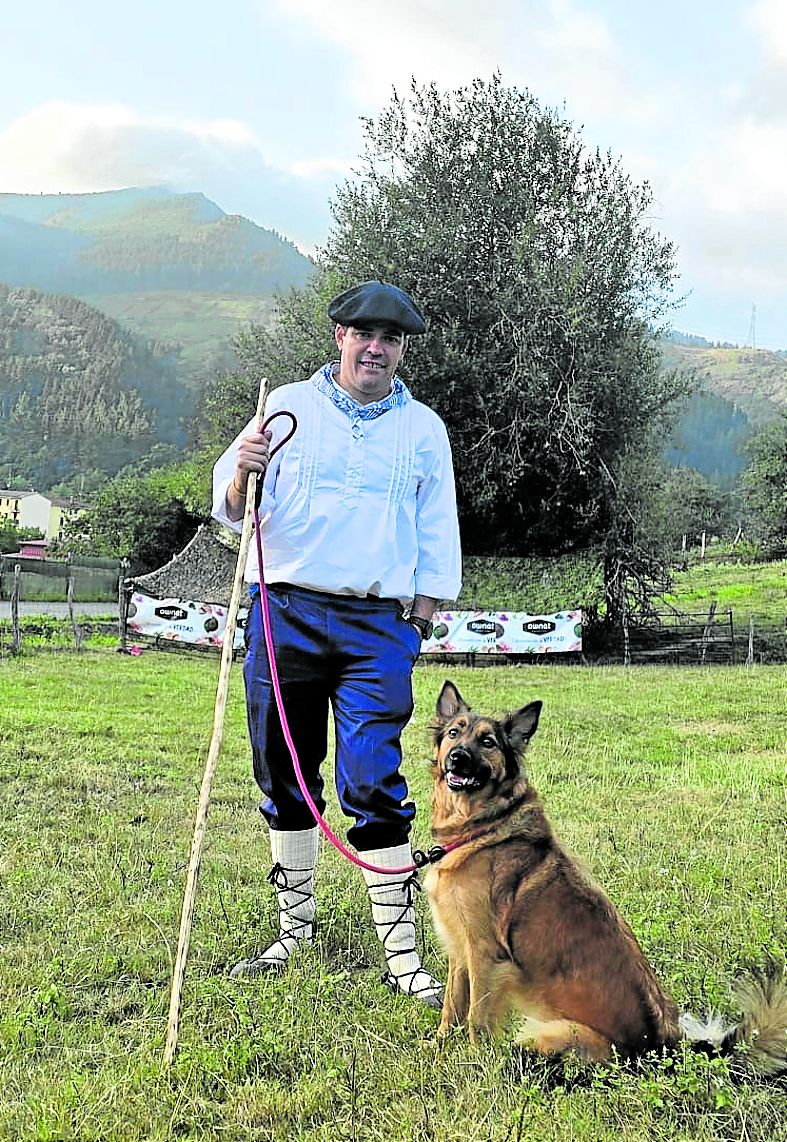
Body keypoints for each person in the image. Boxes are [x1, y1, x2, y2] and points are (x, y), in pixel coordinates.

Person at [211, 280, 462, 1007]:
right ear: (338, 337)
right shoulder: (282, 408)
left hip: (375, 624)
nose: (375, 347)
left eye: (390, 338)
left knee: (372, 777)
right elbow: (231, 505)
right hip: (282, 608)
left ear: (401, 349)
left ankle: (401, 956)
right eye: (362, 334)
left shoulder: (422, 430)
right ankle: (294, 932)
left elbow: (437, 525)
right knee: (282, 768)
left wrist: (416, 617)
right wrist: (243, 473)